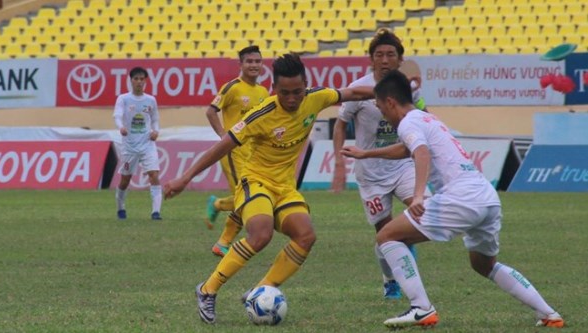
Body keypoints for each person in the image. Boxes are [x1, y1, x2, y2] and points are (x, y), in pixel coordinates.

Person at [341, 70, 564, 328]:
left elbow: (420, 152)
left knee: (386, 237)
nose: (382, 114)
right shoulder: (426, 118)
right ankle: (549, 314)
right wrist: (366, 154)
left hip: (461, 197)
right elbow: (407, 149)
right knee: (484, 264)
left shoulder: (407, 123)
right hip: (486, 197)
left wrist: (417, 196)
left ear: (390, 102)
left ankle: (421, 308)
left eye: (380, 107)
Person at [164, 54, 375, 324]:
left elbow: (353, 91)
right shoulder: (260, 114)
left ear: (306, 86)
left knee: (306, 236)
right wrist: (185, 177)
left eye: (297, 92)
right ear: (274, 89)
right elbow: (221, 147)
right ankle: (208, 289)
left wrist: (392, 92)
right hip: (256, 182)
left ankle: (261, 288)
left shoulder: (316, 97)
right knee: (260, 234)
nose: (291, 99)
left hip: (285, 189)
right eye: (284, 93)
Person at [332, 28, 428, 300]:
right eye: (379, 55)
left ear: (400, 60)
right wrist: (339, 162)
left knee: (426, 213)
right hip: (371, 175)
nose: (384, 60)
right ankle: (390, 279)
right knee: (386, 233)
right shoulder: (359, 90)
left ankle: (404, 253)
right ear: (371, 60)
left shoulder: (409, 89)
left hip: (402, 166)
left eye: (390, 55)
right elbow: (340, 125)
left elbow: (424, 117)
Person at [204, 45, 269, 257]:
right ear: (240, 65)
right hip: (234, 152)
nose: (254, 65)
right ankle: (223, 243)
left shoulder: (263, 92)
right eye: (249, 62)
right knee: (246, 197)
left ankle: (218, 204)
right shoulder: (231, 87)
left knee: (250, 195)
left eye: (257, 61)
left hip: (254, 152)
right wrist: (224, 136)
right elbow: (211, 111)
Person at [114, 66, 162, 221]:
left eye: (142, 79)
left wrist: (156, 131)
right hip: (129, 146)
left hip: (147, 144)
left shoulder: (151, 100)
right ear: (131, 80)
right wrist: (121, 127)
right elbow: (117, 115)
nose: (139, 82)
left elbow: (155, 119)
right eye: (136, 79)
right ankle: (120, 207)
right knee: (125, 180)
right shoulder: (124, 99)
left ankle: (156, 212)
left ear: (145, 81)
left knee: (154, 174)